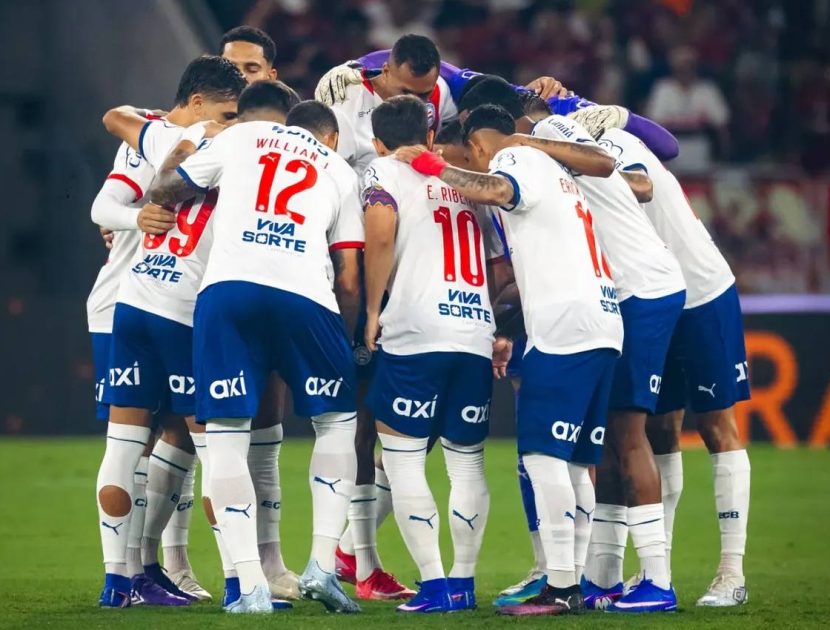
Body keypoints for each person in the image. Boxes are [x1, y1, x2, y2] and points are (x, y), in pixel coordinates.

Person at [397, 104, 624, 616]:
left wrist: (432, 167)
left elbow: (497, 190)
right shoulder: (561, 175)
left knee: (543, 456)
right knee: (578, 462)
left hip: (566, 328)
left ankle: (561, 587)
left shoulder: (516, 159)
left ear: (479, 143)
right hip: (603, 319)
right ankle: (578, 580)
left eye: (472, 155)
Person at [147, 82, 364, 614]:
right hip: (307, 295)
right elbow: (350, 272)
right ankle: (320, 567)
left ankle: (250, 587)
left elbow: (167, 190)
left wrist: (185, 154)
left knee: (224, 434)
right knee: (336, 422)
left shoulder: (239, 137)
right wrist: (352, 336)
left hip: (229, 290)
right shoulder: (339, 168)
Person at [94, 55, 246, 609]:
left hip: (134, 303)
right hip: (187, 312)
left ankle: (119, 583)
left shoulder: (170, 136)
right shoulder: (243, 150)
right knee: (218, 450)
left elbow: (116, 117)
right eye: (231, 112)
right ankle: (238, 582)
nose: (236, 120)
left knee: (122, 447)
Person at [595, 127, 751, 607]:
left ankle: (732, 573)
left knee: (716, 426)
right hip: (651, 299)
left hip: (702, 291)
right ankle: (652, 569)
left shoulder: (604, 141)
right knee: (657, 430)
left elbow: (659, 158)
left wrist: (619, 117)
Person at [362, 95, 495, 613]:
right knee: (467, 464)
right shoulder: (463, 178)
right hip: (474, 332)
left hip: (417, 330)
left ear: (378, 141)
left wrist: (373, 310)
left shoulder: (382, 171)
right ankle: (463, 583)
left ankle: (435, 584)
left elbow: (378, 236)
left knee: (404, 461)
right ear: (431, 136)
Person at [645, 45, 730, 173]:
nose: (685, 70)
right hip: (671, 146)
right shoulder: (663, 89)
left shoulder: (707, 89)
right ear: (674, 68)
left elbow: (721, 122)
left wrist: (724, 152)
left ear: (695, 66)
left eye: (688, 65)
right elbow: (653, 121)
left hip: (700, 144)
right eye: (680, 66)